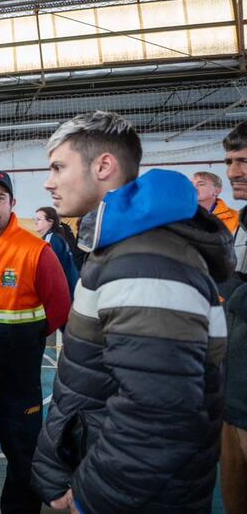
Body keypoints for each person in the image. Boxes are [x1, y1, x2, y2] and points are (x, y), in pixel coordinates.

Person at [32, 111, 232, 513]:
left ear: (104, 166)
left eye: (58, 167)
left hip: (130, 497)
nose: (48, 182)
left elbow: (159, 412)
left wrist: (90, 498)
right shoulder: (125, 247)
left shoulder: (146, 256)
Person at [0, 167, 71, 513]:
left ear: (13, 203)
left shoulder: (36, 251)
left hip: (18, 379)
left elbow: (59, 310)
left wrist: (23, 342)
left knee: (23, 457)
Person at [220, 121, 247, 513]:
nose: (232, 171)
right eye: (228, 161)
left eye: (242, 161)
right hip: (234, 394)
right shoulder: (241, 222)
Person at [34, 206, 79, 298]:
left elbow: (48, 269)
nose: (35, 222)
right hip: (69, 287)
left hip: (66, 289)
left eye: (39, 219)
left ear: (50, 221)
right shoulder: (55, 237)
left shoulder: (52, 239)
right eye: (35, 219)